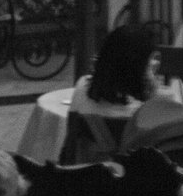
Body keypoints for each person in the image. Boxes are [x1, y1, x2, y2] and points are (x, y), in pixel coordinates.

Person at [63, 25, 175, 162]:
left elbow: (70, 143)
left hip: (86, 174)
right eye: (150, 59)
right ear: (140, 66)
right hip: (134, 178)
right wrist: (153, 87)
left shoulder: (82, 86)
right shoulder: (150, 105)